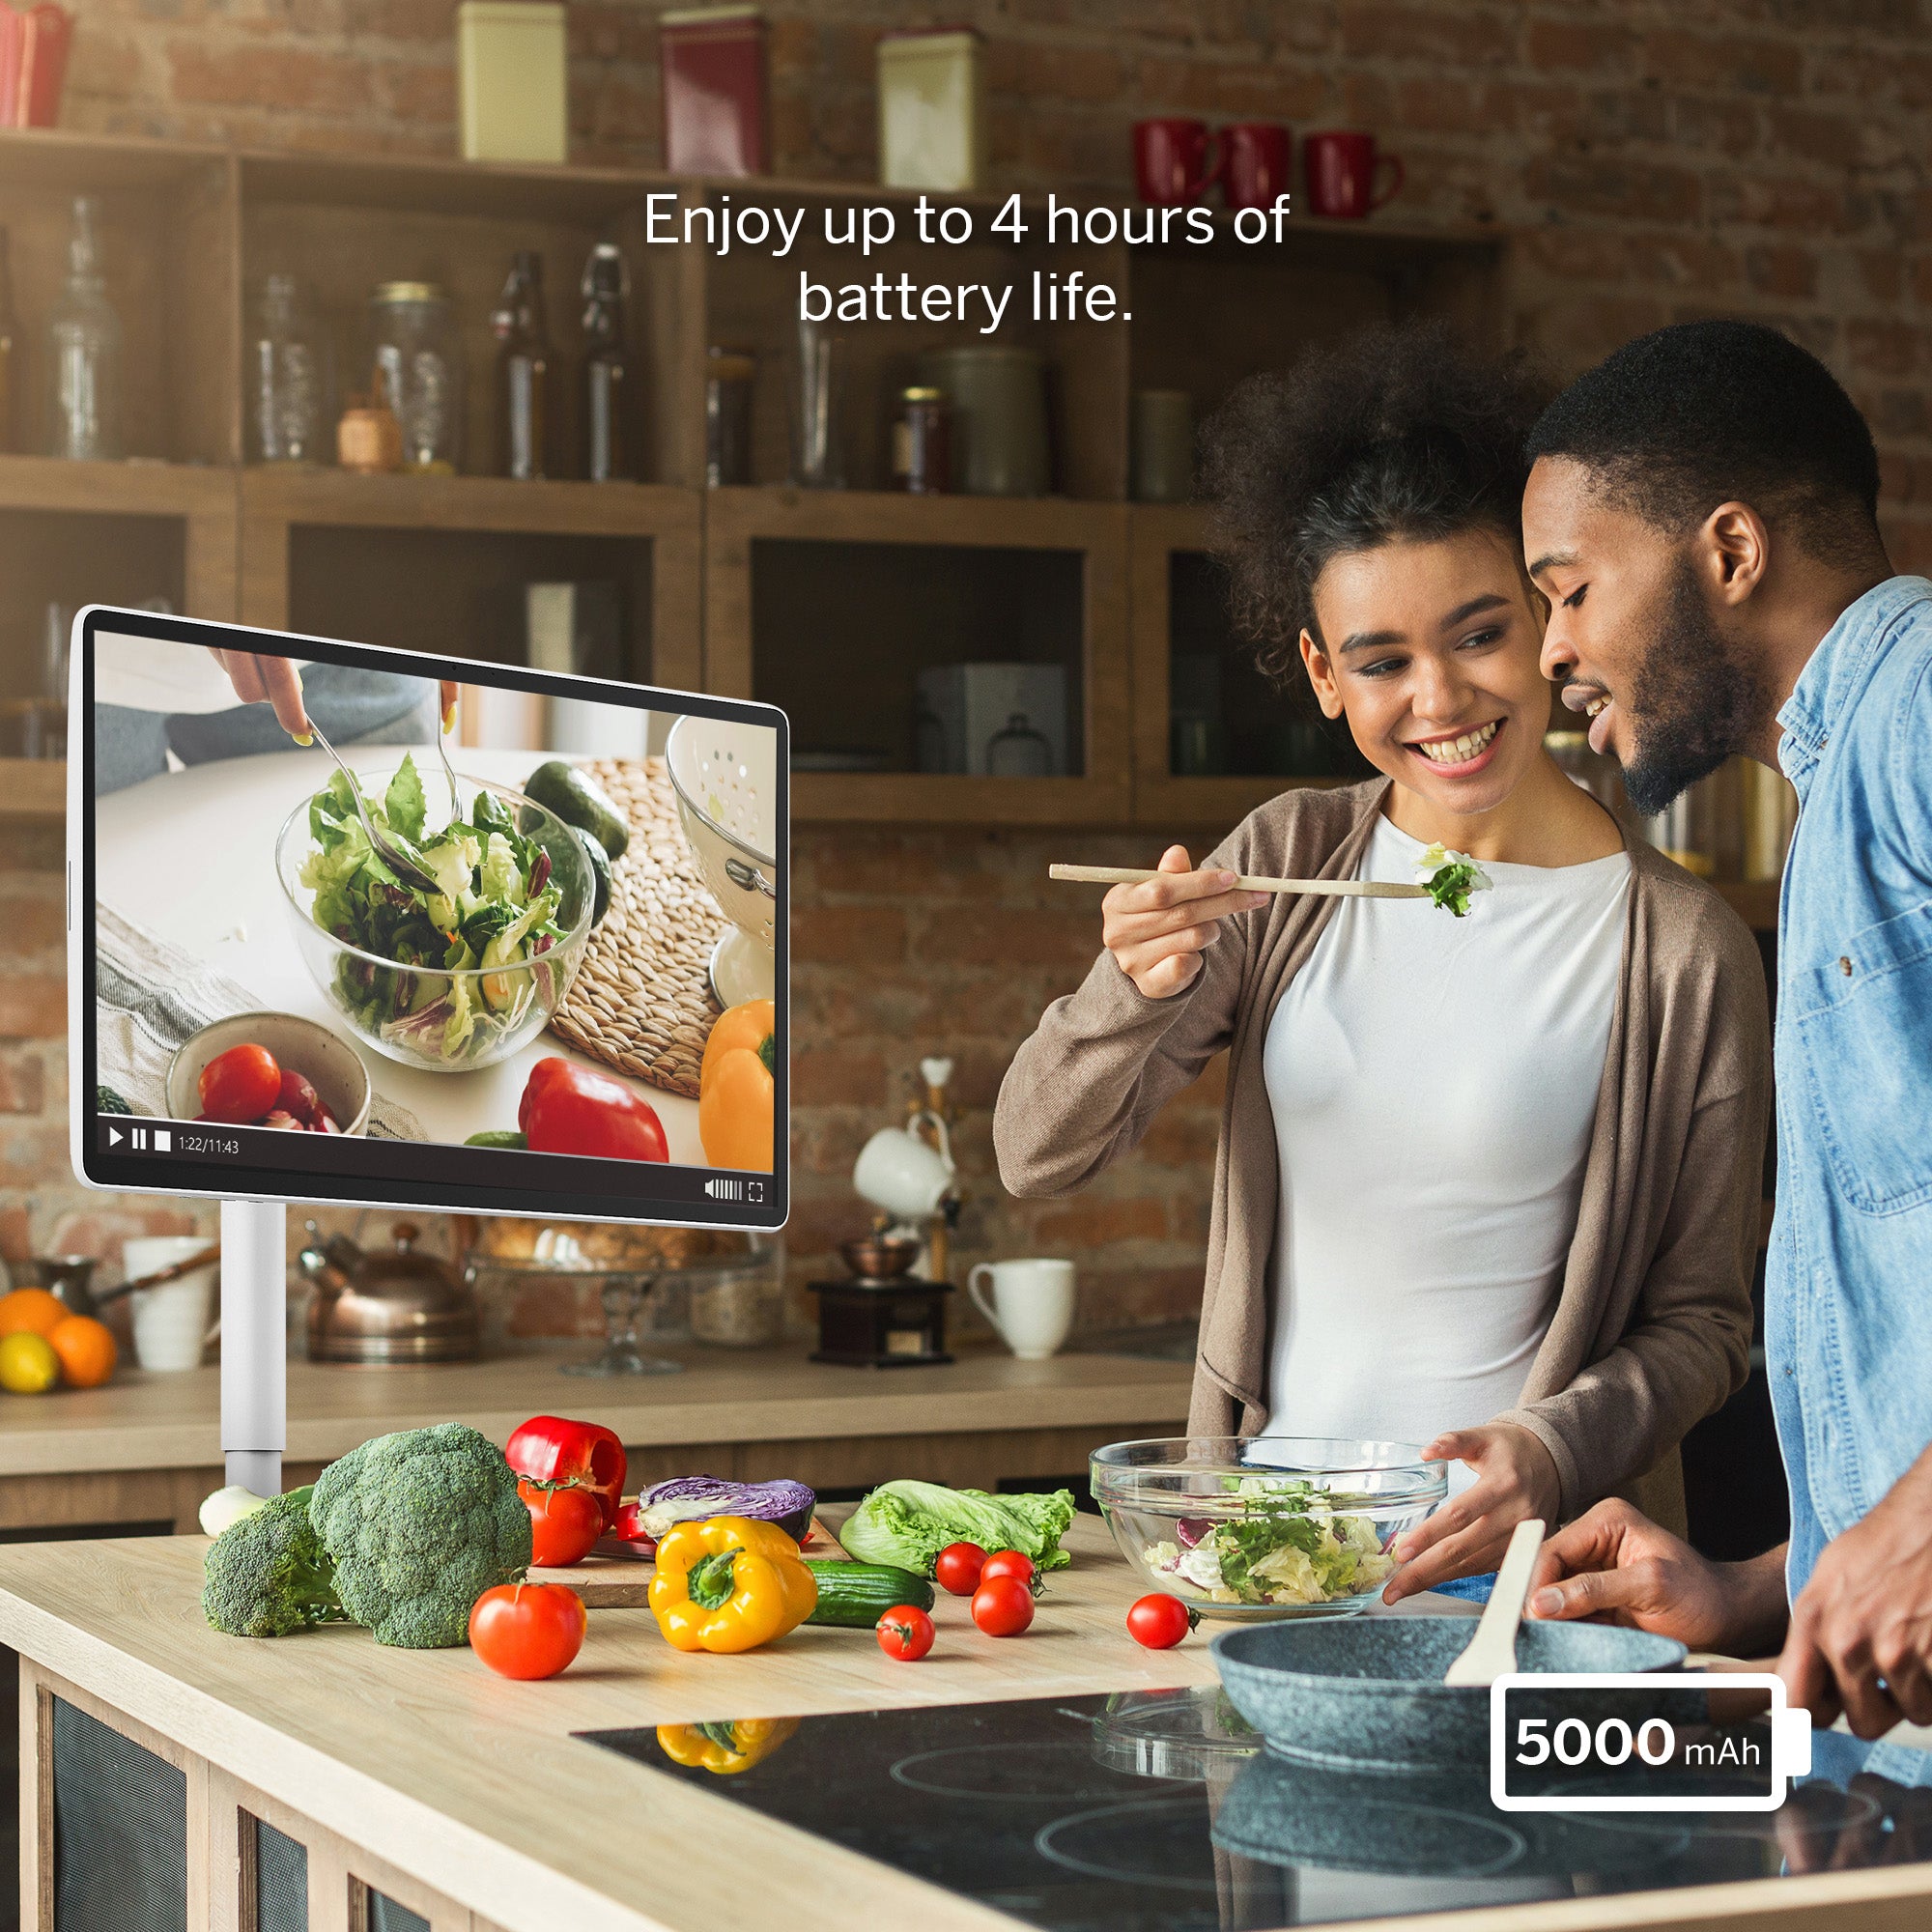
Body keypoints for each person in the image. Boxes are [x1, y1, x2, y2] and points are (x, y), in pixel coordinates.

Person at [994, 325, 1771, 1604]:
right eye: (1382, 662)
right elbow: (1038, 1154)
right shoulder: (1281, 863)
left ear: (1546, 618)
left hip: (1514, 1571)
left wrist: (1553, 1448)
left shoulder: (1681, 950)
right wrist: (1130, 993)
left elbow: (1707, 1326)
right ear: (1320, 674)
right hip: (1261, 1551)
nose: (1440, 699)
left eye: (1478, 635)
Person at [1520, 318, 1932, 1747]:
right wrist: (1758, 1590)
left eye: (1569, 590)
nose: (1554, 647)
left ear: (1733, 552)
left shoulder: (1923, 708)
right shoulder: (1839, 790)